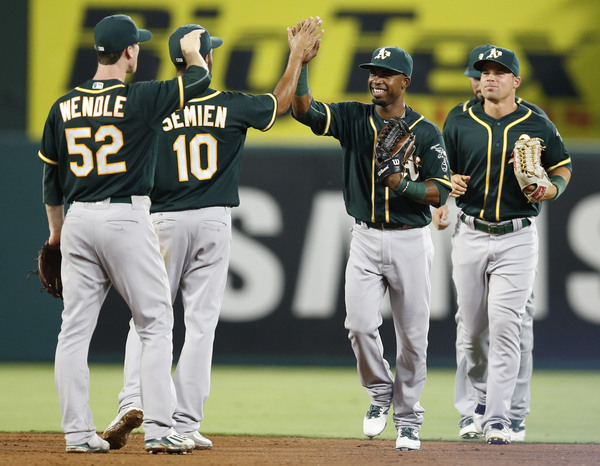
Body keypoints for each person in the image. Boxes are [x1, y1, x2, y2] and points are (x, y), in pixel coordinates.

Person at [101, 19, 324, 451]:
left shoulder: (151, 102)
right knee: (201, 324)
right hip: (213, 221)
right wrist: (296, 56)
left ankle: (133, 400)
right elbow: (279, 103)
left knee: (148, 319)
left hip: (162, 220)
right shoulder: (229, 103)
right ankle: (185, 422)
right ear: (205, 57)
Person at [38, 14, 212, 454]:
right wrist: (193, 53)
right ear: (130, 51)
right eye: (137, 45)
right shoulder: (140, 98)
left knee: (73, 332)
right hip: (125, 216)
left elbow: (51, 182)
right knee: (155, 323)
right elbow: (198, 80)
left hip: (77, 220)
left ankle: (78, 434)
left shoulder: (62, 106)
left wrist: (55, 236)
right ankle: (159, 429)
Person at [291, 42, 452, 451]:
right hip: (364, 236)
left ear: (405, 81)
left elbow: (441, 191)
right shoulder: (352, 117)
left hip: (411, 239)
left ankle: (409, 419)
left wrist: (403, 184)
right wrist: (302, 64)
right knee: (360, 326)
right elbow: (304, 110)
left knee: (412, 337)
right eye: (373, 72)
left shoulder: (425, 131)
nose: (376, 79)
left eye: (385, 74)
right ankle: (381, 393)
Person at [442, 45, 572, 444]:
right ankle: (474, 407)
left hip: (517, 236)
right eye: (484, 72)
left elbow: (562, 166)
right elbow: (441, 170)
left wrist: (551, 188)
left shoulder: (537, 122)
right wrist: (448, 184)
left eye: (499, 72)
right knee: (471, 331)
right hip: (471, 232)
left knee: (506, 325)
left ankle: (499, 417)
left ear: (516, 80)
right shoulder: (459, 119)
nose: (489, 77)